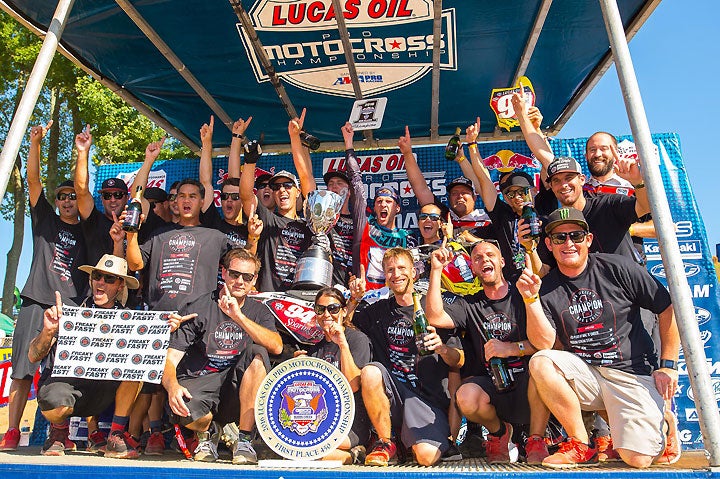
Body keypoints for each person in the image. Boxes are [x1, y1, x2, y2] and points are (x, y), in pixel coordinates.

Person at [516, 207, 681, 468]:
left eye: (576, 236)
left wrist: (668, 365)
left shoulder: (617, 267)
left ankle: (665, 424)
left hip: (630, 374)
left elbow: (667, 307)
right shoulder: (545, 287)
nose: (568, 243)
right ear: (548, 244)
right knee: (541, 362)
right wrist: (531, 299)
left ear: (588, 240)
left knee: (636, 459)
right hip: (589, 376)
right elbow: (544, 344)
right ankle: (580, 443)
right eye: (560, 238)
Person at [28, 255, 184, 458]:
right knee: (53, 402)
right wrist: (48, 331)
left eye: (109, 279)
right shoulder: (68, 310)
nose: (101, 282)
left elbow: (151, 355)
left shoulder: (130, 318)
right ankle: (58, 432)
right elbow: (33, 355)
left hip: (104, 394)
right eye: (97, 276)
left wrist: (164, 330)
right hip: (67, 389)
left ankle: (115, 436)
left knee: (138, 362)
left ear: (120, 286)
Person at [0, 122, 88, 452]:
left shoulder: (88, 230)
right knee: (22, 370)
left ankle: (62, 434)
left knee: (67, 373)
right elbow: (33, 181)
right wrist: (34, 143)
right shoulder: (46, 220)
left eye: (72, 196)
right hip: (36, 302)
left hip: (71, 311)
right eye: (62, 197)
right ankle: (11, 431)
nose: (67, 201)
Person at [162, 248, 283, 464]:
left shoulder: (259, 311)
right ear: (224, 273)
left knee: (259, 353)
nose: (240, 281)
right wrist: (172, 387)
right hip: (203, 381)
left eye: (247, 277)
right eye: (234, 274)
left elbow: (277, 347)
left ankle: (244, 440)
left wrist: (238, 316)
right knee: (182, 410)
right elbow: (170, 359)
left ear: (254, 280)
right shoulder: (199, 306)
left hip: (237, 386)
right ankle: (210, 431)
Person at [425, 239, 539, 463]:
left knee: (544, 367)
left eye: (490, 255)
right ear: (473, 269)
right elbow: (435, 316)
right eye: (477, 258)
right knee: (465, 396)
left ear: (502, 261)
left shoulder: (523, 293)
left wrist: (511, 349)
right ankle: (499, 433)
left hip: (530, 384)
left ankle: (537, 439)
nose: (484, 259)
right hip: (495, 386)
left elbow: (548, 342)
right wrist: (436, 270)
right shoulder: (470, 304)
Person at [351, 248, 461, 466]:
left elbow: (459, 361)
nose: (396, 274)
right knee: (371, 372)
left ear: (414, 272)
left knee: (426, 458)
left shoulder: (434, 311)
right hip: (394, 394)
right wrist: (354, 300)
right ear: (385, 276)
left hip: (426, 401)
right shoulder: (378, 311)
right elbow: (345, 325)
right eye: (390, 270)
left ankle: (407, 443)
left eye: (401, 268)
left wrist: (442, 349)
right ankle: (386, 442)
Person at [125, 179, 231, 311]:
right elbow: (135, 264)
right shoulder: (158, 234)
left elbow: (241, 263)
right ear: (176, 201)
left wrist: (252, 237)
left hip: (200, 319)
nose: (186, 201)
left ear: (202, 202)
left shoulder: (216, 237)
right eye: (182, 196)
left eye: (192, 196)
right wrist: (131, 234)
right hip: (160, 317)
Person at [294, 288, 372, 464]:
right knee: (295, 448)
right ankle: (351, 454)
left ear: (344, 311)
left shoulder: (357, 340)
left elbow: (353, 386)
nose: (326, 314)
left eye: (333, 308)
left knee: (309, 452)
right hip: (322, 421)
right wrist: (298, 368)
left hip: (351, 422)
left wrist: (342, 344)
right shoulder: (315, 348)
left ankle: (352, 456)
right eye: (320, 310)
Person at [290, 113, 356, 287]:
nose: (333, 186)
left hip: (353, 285)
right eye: (330, 183)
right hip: (322, 281)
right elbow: (305, 175)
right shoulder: (319, 213)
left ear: (349, 191)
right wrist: (296, 137)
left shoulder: (360, 218)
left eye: (339, 183)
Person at [397, 125, 491, 242]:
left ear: (475, 197)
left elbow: (485, 184)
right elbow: (420, 188)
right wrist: (407, 154)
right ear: (449, 198)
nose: (459, 196)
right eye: (454, 193)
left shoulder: (488, 217)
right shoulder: (442, 216)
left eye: (465, 192)